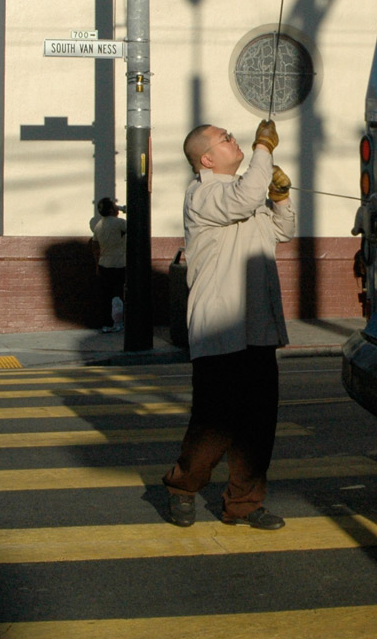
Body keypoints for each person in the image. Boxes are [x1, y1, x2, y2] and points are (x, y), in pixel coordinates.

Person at [163, 118, 294, 530]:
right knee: (213, 425)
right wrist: (262, 149)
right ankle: (183, 486)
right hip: (219, 328)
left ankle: (244, 503)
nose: (233, 140)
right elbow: (242, 198)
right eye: (225, 139)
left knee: (258, 425)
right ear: (206, 158)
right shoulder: (203, 194)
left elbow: (282, 230)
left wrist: (280, 195)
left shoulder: (243, 192)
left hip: (257, 326)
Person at [89, 197, 127, 332]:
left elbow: (95, 246)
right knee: (118, 295)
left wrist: (97, 265)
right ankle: (118, 323)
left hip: (104, 264)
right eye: (114, 206)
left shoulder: (98, 226)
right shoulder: (120, 223)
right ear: (111, 209)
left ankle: (107, 324)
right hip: (119, 263)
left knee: (106, 296)